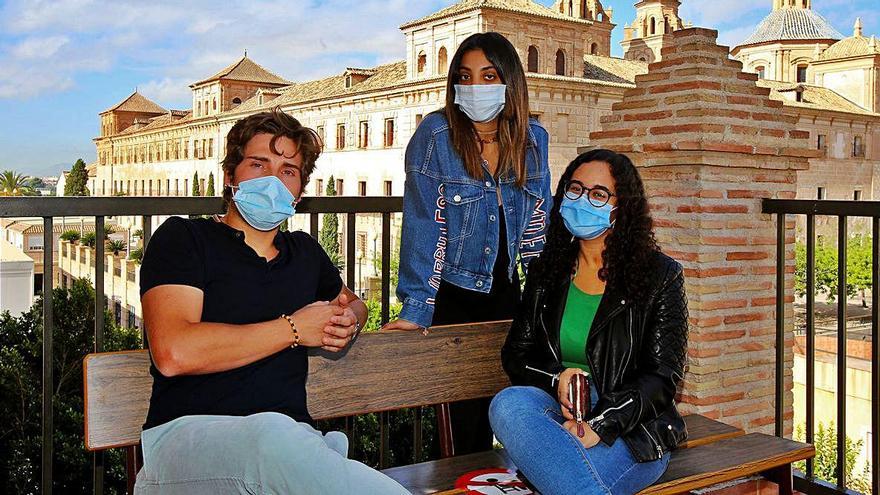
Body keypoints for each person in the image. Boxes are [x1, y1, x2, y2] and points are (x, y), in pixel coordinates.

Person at [135, 109, 409, 494]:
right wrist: (295, 329)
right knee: (276, 440)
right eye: (258, 163)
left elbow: (352, 303)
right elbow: (174, 351)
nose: (272, 180)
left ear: (298, 194)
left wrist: (348, 320)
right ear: (230, 176)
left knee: (284, 441)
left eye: (288, 171)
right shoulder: (184, 240)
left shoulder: (305, 254)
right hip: (188, 441)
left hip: (286, 444)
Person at [383, 32, 552, 456]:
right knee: (461, 436)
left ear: (509, 81)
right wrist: (418, 307)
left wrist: (545, 299)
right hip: (453, 301)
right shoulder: (436, 134)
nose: (476, 87)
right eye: (465, 76)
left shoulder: (534, 139)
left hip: (510, 300)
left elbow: (536, 226)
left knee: (521, 418)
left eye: (489, 75)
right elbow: (426, 222)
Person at [489, 149, 689, 495]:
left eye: (598, 194)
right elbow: (516, 355)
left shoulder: (660, 275)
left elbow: (662, 377)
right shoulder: (545, 271)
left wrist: (601, 422)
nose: (583, 200)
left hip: (630, 424)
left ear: (622, 206)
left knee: (565, 480)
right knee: (507, 404)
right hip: (559, 411)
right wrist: (557, 377)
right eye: (575, 189)